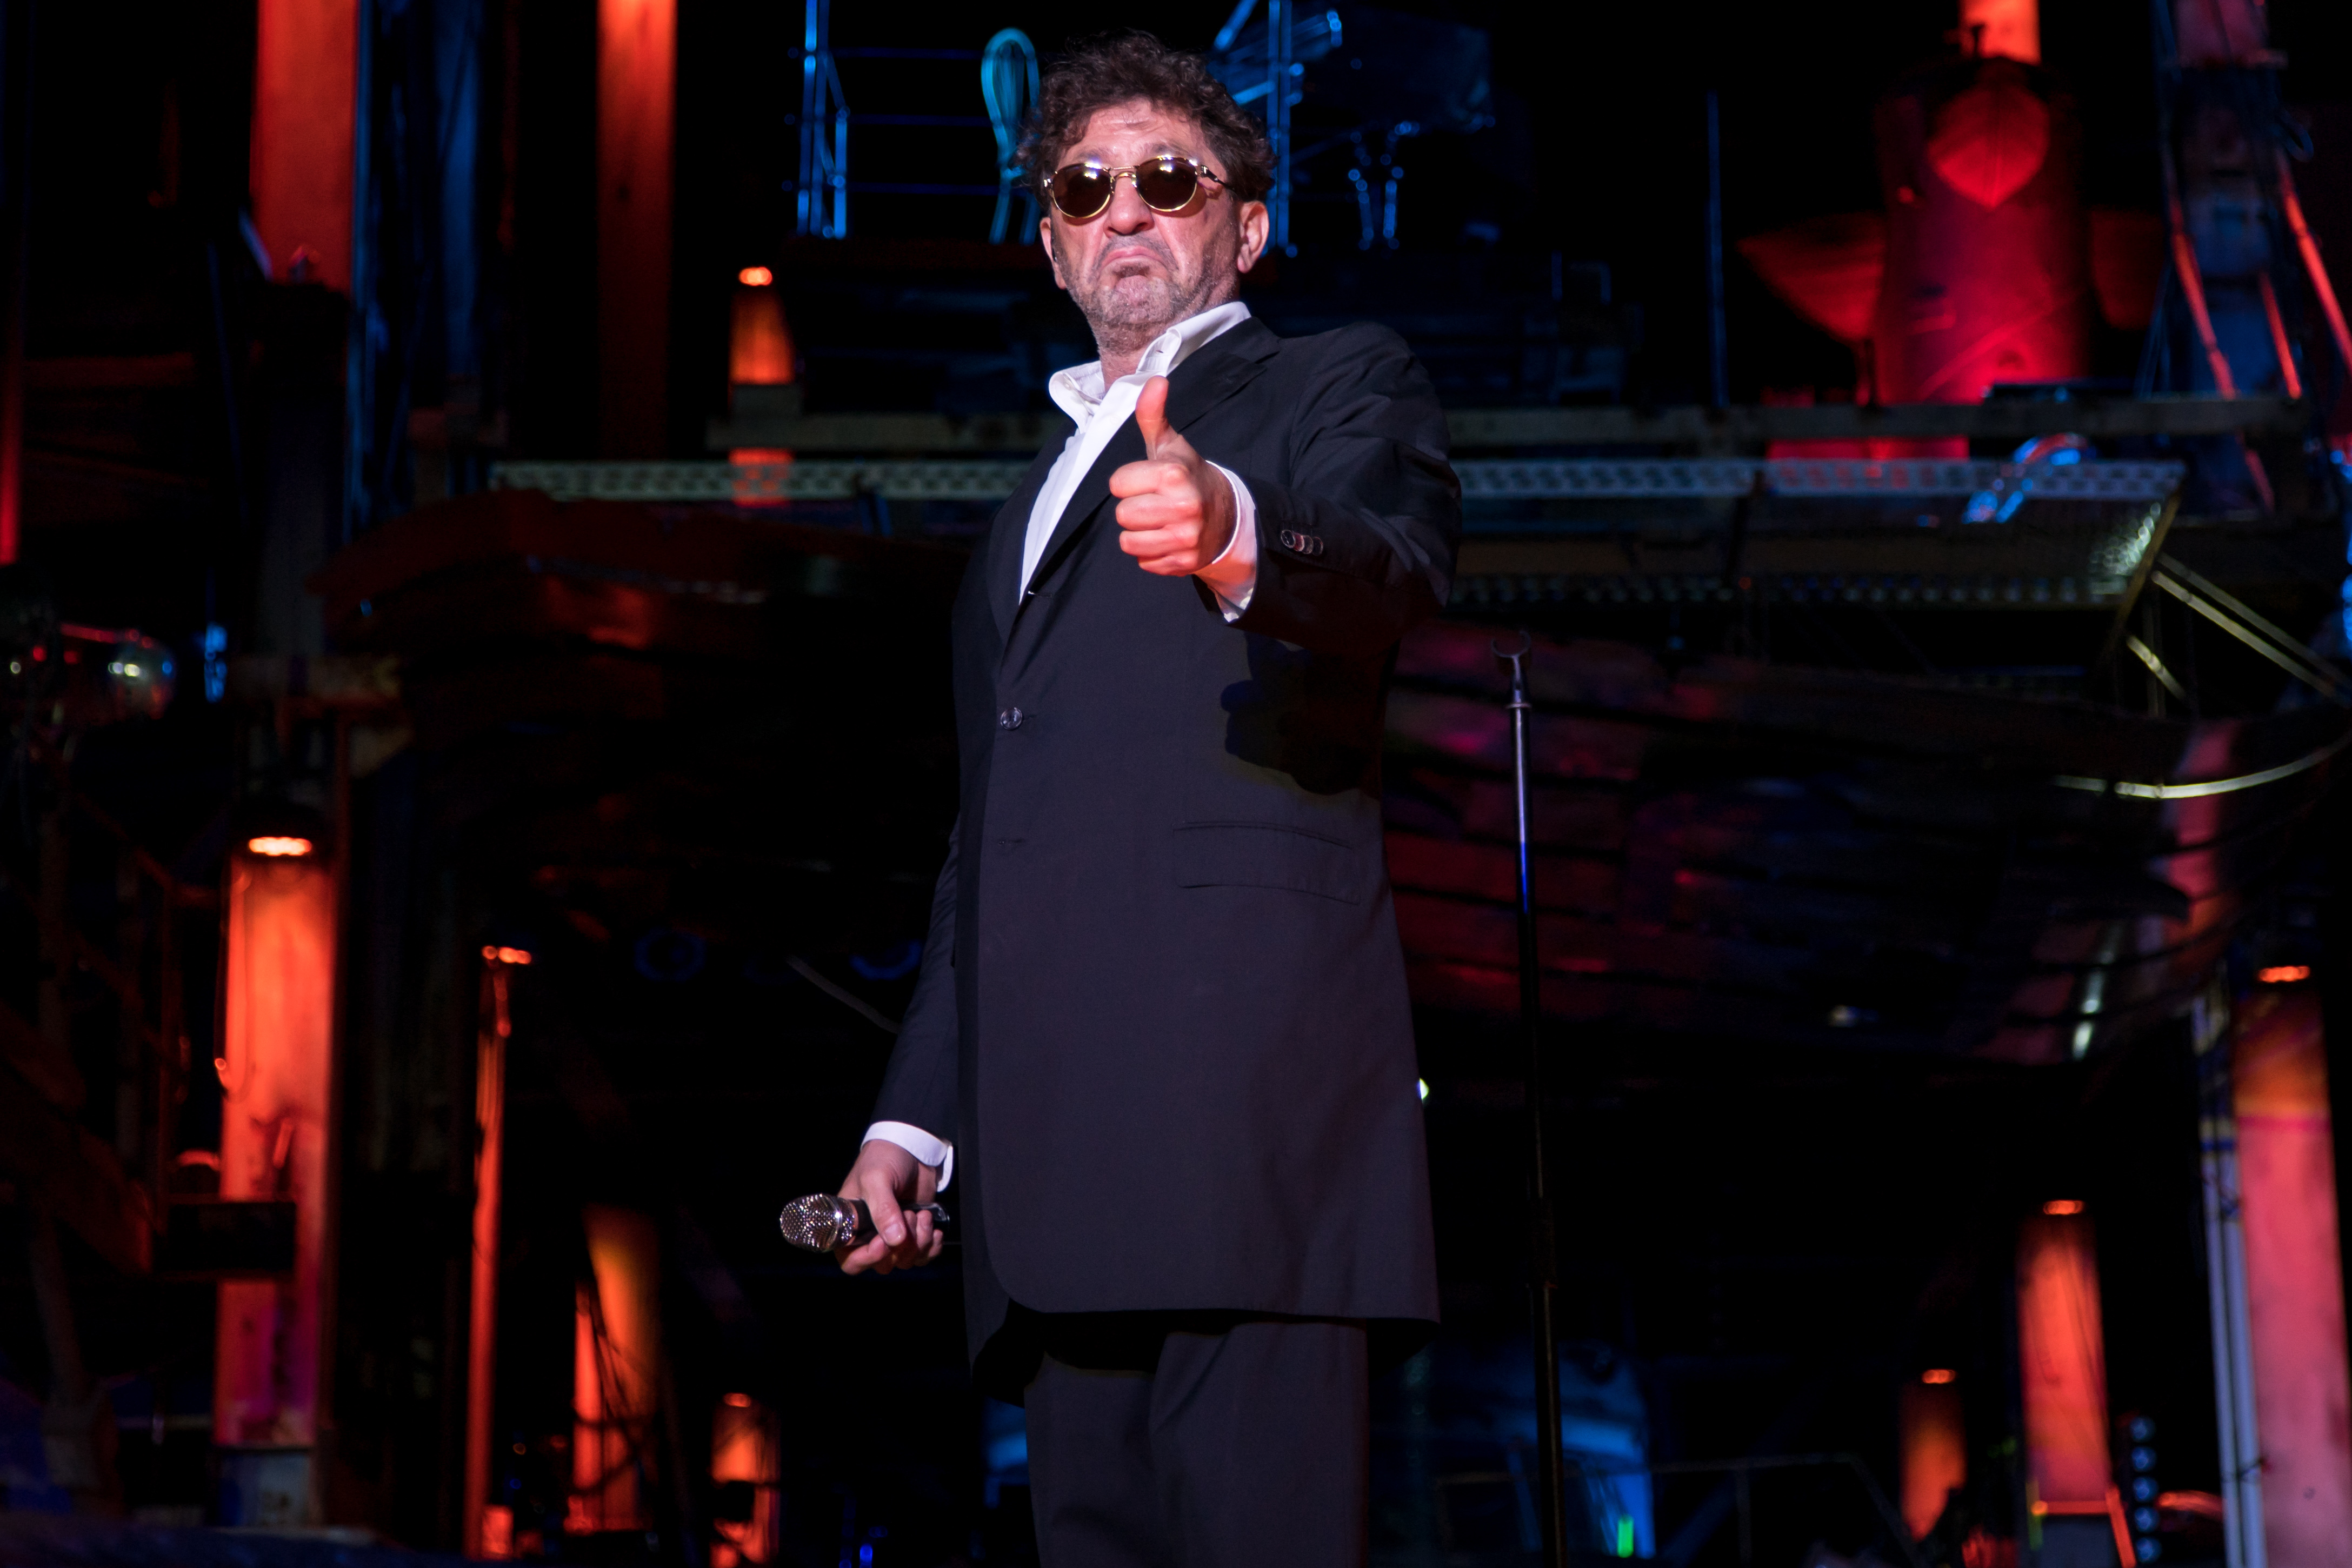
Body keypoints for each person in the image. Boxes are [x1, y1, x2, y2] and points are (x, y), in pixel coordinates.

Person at [830, 30, 1458, 1566]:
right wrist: (916, 1117)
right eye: (1084, 187)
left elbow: (1388, 569)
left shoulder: (1333, 381)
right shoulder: (1019, 520)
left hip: (1250, 1143)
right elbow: (993, 844)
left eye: (1168, 181)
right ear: (1052, 244)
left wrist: (1238, 526)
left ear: (1247, 226)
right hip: (1051, 1179)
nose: (1124, 209)